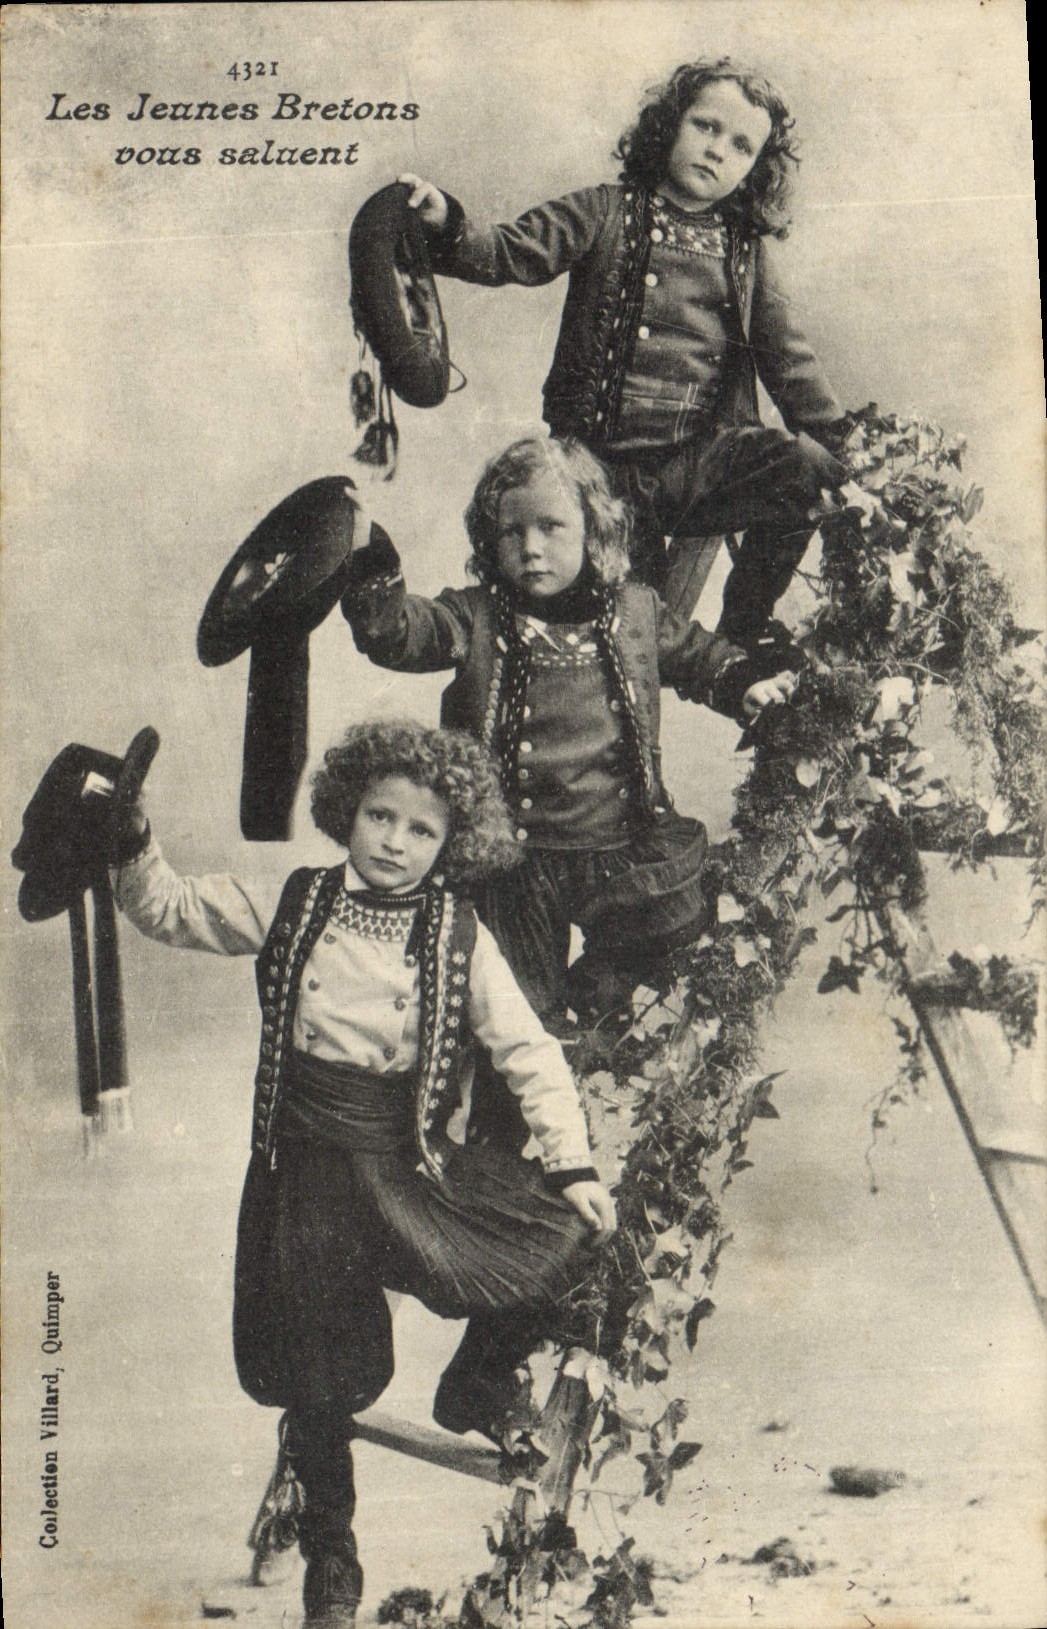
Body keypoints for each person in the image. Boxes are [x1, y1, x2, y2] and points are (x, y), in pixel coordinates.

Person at [111, 719, 616, 1629]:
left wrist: (571, 1160)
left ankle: (473, 1383)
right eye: (380, 816)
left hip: (405, 1163)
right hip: (303, 1175)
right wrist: (134, 842)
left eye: (421, 830)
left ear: (452, 843)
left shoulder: (458, 932)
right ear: (346, 811)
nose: (394, 841)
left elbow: (526, 1049)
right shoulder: (297, 901)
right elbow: (173, 909)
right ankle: (331, 1565)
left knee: (574, 1236)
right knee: (317, 1377)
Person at [341, 436, 797, 1028]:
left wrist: (742, 683)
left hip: (621, 844)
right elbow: (407, 632)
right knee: (517, 1014)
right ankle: (545, 1059)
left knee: (674, 925)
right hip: (514, 864)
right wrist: (370, 574)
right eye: (512, 532)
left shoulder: (634, 610)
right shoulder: (473, 615)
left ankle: (599, 1011)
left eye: (552, 527)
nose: (531, 548)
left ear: (594, 530)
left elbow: (696, 654)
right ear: (490, 538)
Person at [397, 56, 852, 642]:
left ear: (755, 169)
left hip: (699, 462)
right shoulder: (602, 211)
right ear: (669, 125)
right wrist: (448, 225)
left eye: (741, 146)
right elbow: (514, 250)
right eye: (706, 127)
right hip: (598, 470)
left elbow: (789, 361)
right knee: (633, 628)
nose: (717, 150)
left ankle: (746, 627)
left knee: (813, 473)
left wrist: (848, 451)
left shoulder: (748, 253)